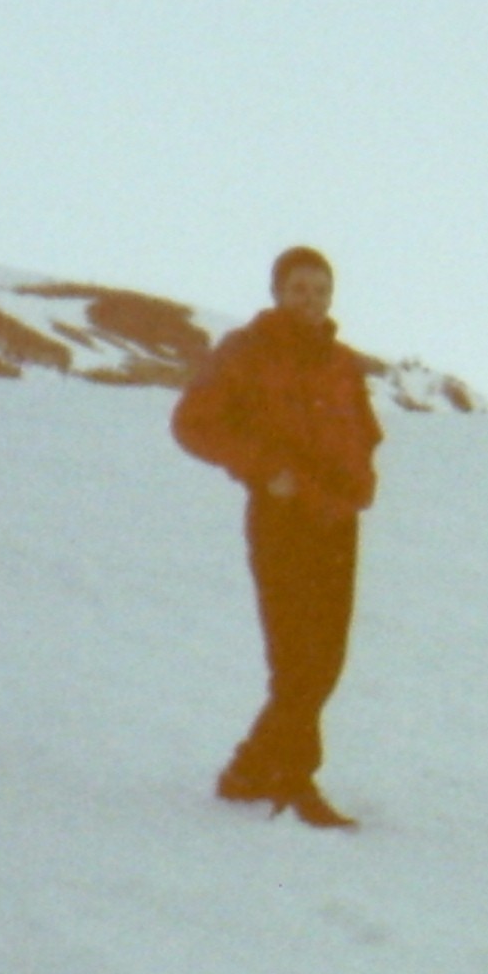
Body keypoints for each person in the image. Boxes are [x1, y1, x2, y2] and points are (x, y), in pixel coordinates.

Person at [170, 246, 384, 826]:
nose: (311, 300)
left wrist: (361, 483)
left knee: (326, 662)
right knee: (297, 661)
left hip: (337, 521)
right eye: (299, 289)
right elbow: (193, 422)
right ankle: (294, 781)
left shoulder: (341, 362)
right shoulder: (247, 351)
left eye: (320, 290)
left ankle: (248, 772)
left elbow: (365, 431)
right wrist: (265, 470)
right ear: (277, 292)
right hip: (282, 518)